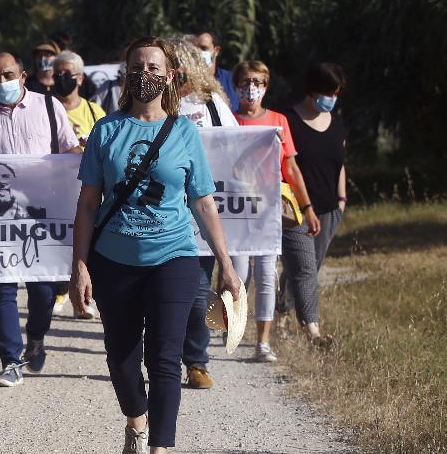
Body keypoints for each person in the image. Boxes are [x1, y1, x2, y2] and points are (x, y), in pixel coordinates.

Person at [68, 37, 242, 454]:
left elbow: (203, 201)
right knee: (121, 357)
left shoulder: (184, 132)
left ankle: (159, 448)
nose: (144, 74)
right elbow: (88, 203)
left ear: (170, 76)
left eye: (152, 67)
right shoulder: (106, 130)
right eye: (137, 67)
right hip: (114, 259)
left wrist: (227, 264)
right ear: (126, 73)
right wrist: (79, 265)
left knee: (165, 360)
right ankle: (136, 420)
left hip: (175, 256)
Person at [0, 52, 80, 387]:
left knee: (42, 291)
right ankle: (10, 359)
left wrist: (86, 164)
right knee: (2, 286)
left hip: (42, 216)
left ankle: (36, 336)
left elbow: (69, 149)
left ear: (23, 75)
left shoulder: (49, 108)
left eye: (7, 74)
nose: (1, 82)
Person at [230, 61, 323, 361]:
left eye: (257, 81)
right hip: (237, 209)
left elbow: (291, 167)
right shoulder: (229, 121)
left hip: (269, 209)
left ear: (266, 85)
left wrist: (306, 206)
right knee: (240, 274)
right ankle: (232, 324)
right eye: (245, 81)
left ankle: (263, 342)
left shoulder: (278, 121)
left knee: (267, 273)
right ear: (236, 85)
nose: (251, 87)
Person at [166, 37, 237, 390]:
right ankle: (163, 357)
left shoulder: (214, 108)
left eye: (179, 64)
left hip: (198, 217)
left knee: (197, 292)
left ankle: (196, 361)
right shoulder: (150, 106)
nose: (175, 72)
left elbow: (237, 154)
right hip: (156, 217)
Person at [279, 62, 348, 347]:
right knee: (304, 268)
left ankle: (281, 312)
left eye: (336, 93)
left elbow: (340, 164)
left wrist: (342, 201)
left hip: (330, 208)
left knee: (309, 267)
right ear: (313, 90)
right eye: (329, 92)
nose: (332, 98)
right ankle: (311, 331)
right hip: (296, 209)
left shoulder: (337, 122)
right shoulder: (289, 120)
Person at [53, 50, 107, 148]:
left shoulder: (94, 111)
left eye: (67, 74)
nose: (61, 78)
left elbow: (107, 145)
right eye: (57, 74)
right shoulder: (45, 110)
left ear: (80, 79)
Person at [194, 30, 239, 110]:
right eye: (195, 49)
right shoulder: (188, 84)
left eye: (204, 48)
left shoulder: (232, 80)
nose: (198, 53)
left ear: (216, 51)